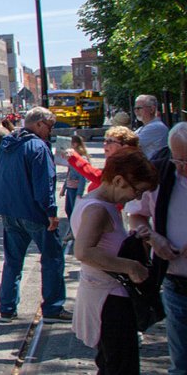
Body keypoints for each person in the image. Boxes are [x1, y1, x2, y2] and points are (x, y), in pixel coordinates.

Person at [72, 148, 159, 375]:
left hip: (103, 296)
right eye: (137, 190)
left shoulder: (97, 202)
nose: (137, 198)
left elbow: (104, 245)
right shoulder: (98, 210)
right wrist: (130, 266)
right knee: (120, 366)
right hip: (109, 301)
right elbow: (83, 252)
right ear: (118, 180)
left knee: (113, 363)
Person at [0, 107, 69, 324]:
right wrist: (51, 212)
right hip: (33, 212)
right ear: (39, 124)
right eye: (49, 127)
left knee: (12, 261)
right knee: (52, 258)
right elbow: (44, 184)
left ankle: (6, 308)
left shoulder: (8, 143)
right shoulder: (38, 147)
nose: (50, 132)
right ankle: (52, 307)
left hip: (10, 211)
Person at [127, 122, 187, 374]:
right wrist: (153, 237)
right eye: (179, 161)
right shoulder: (161, 175)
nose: (183, 169)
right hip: (176, 282)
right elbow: (136, 216)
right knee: (181, 362)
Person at [69, 126, 141, 195]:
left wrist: (74, 158)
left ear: (125, 148)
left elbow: (101, 179)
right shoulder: (112, 164)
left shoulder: (129, 167)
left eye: (110, 141)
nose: (105, 144)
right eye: (105, 140)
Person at [61, 134, 90, 221]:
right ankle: (71, 228)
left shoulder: (81, 158)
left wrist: (79, 194)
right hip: (70, 188)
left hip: (75, 189)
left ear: (75, 145)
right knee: (68, 209)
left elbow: (82, 178)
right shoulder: (72, 158)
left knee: (74, 211)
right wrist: (64, 188)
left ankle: (73, 230)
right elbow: (69, 173)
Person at [134, 94, 169, 159]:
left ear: (152, 109)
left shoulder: (156, 127)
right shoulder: (142, 128)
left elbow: (130, 142)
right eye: (135, 108)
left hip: (153, 167)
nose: (136, 111)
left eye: (139, 108)